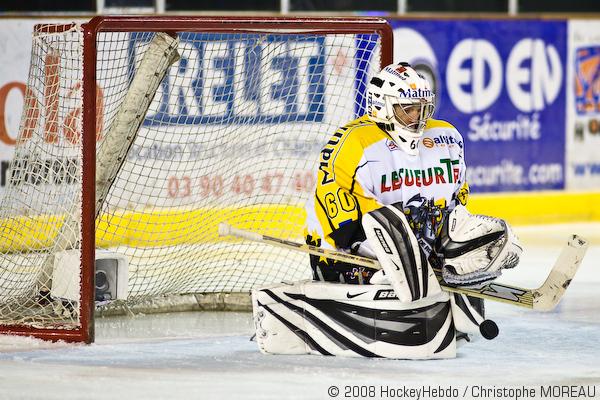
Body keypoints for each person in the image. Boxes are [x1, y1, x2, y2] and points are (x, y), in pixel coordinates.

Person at [252, 62, 521, 359]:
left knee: (485, 235)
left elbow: (456, 204)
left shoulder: (447, 137)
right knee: (389, 223)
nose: (417, 117)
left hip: (418, 250)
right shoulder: (354, 142)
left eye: (422, 108)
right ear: (382, 106)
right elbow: (340, 224)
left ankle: (451, 291)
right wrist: (391, 258)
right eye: (408, 109)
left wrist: (457, 248)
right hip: (352, 256)